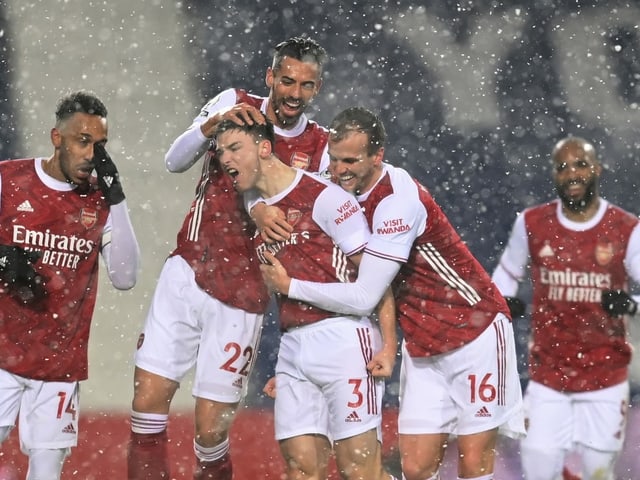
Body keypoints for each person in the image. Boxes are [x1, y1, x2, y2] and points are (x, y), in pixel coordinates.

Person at [260, 106, 525, 480]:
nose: (339, 170)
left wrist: (290, 287)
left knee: (473, 463)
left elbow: (366, 294)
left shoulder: (397, 203)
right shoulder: (334, 185)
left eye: (351, 160)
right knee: (415, 468)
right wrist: (258, 209)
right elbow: (274, 184)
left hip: (473, 330)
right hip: (421, 340)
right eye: (334, 160)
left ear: (378, 156)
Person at [127, 37, 331, 479]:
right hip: (189, 267)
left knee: (210, 432)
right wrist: (211, 126)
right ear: (270, 77)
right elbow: (173, 161)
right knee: (146, 404)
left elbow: (315, 224)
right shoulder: (233, 104)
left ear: (317, 89)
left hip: (245, 294)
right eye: (287, 80)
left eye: (307, 85)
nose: (295, 93)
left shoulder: (321, 148)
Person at [215, 117, 397, 480]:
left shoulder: (327, 199)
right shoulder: (257, 208)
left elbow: (377, 279)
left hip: (345, 340)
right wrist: (293, 362)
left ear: (264, 148)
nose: (225, 159)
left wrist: (389, 346)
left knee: (359, 472)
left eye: (235, 149)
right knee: (299, 469)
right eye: (221, 152)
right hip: (294, 348)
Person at [0, 91, 140, 479]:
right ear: (56, 138)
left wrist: (118, 199)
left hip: (59, 367)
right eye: (83, 141)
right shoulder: (8, 179)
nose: (91, 153)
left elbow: (126, 277)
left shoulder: (100, 201)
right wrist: (2, 256)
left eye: (100, 145)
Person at [490, 136, 640, 480]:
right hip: (548, 377)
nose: (572, 173)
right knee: (538, 466)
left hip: (606, 376)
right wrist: (502, 303)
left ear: (597, 170)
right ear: (554, 175)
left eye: (580, 165)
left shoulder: (626, 229)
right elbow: (504, 279)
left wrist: (631, 304)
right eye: (563, 167)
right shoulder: (531, 223)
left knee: (598, 473)